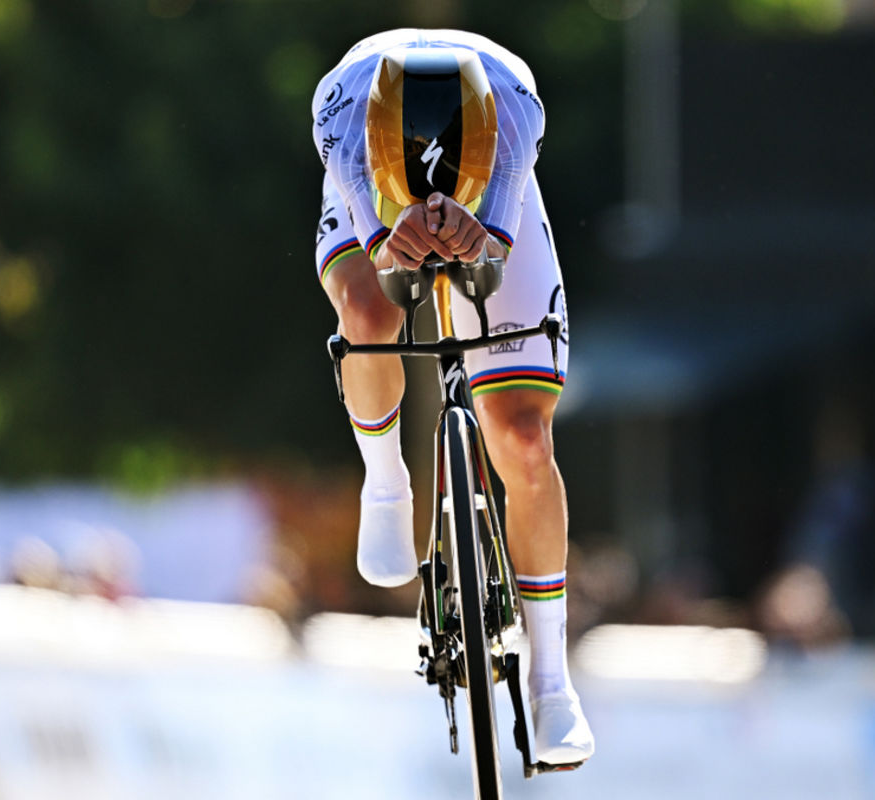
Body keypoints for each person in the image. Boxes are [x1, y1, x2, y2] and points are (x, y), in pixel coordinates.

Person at [311, 29, 593, 765]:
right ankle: (386, 483)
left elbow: (490, 261)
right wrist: (388, 238)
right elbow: (383, 267)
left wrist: (480, 234)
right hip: (373, 182)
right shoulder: (343, 122)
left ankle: (551, 680)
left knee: (523, 438)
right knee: (368, 314)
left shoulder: (515, 117)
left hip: (490, 172)